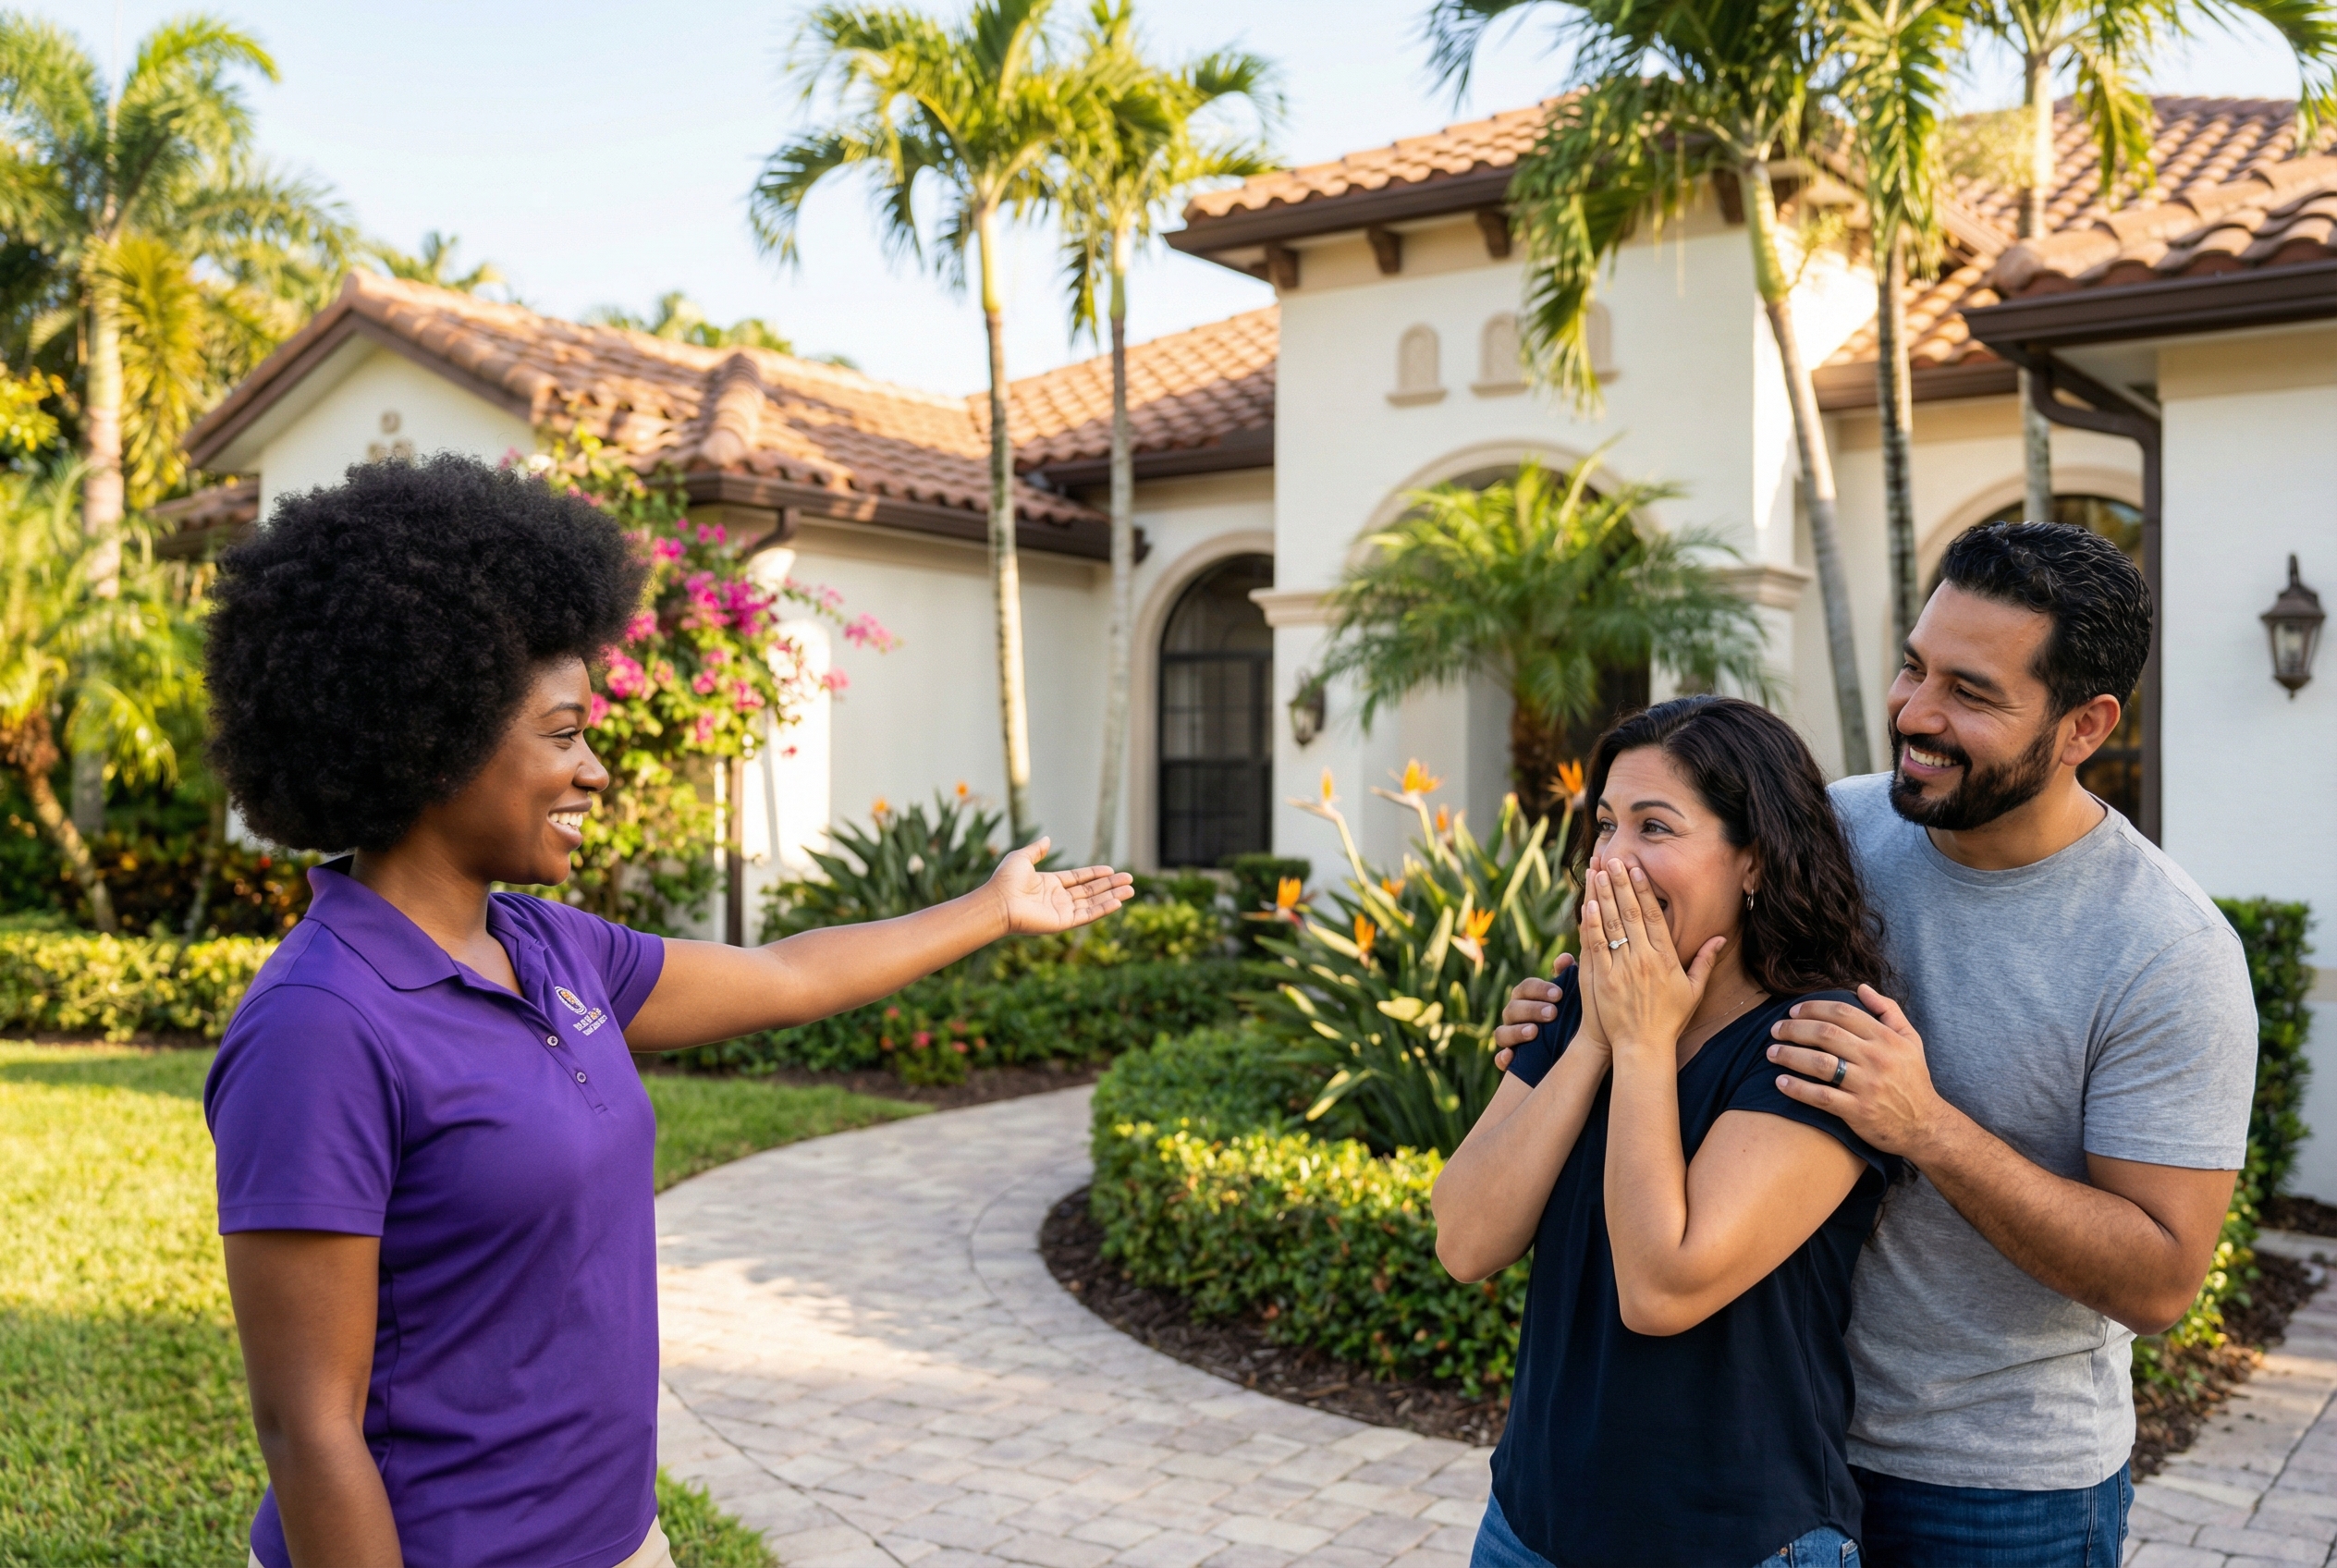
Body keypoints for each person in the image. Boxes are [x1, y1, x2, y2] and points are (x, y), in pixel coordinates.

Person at [200, 455, 1133, 1568]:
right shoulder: (321, 1026)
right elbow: (308, 1431)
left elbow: (785, 976)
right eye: (562, 735)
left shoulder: (548, 949)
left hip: (615, 1542)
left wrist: (987, 911)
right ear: (431, 741)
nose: (594, 770)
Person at [1496, 522, 2257, 1566]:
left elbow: (2163, 1278)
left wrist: (1929, 1128)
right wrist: (1569, 1018)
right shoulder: (1839, 830)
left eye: (1971, 693)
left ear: (2084, 724)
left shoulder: (2164, 951)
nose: (1914, 713)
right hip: (1773, 1452)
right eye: (1913, 666)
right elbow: (1674, 977)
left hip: (1991, 1489)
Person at [1435, 694, 1895, 1568]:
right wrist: (1597, 1040)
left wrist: (1641, 1044)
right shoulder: (1582, 1004)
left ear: (1753, 860)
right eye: (1605, 824)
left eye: (1655, 827)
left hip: (1733, 1540)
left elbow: (1661, 1289)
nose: (1611, 858)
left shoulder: (1816, 1042)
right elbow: (1464, 1239)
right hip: (1530, 1528)